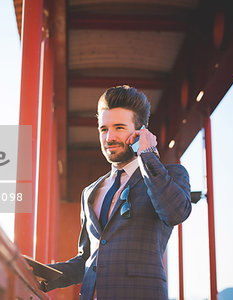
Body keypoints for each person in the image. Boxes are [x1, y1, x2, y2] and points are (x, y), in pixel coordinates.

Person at [45, 85, 192, 299]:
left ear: (140, 132)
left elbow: (176, 212)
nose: (109, 137)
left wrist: (148, 154)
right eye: (104, 129)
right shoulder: (90, 192)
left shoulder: (169, 175)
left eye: (119, 127)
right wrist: (44, 274)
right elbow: (87, 259)